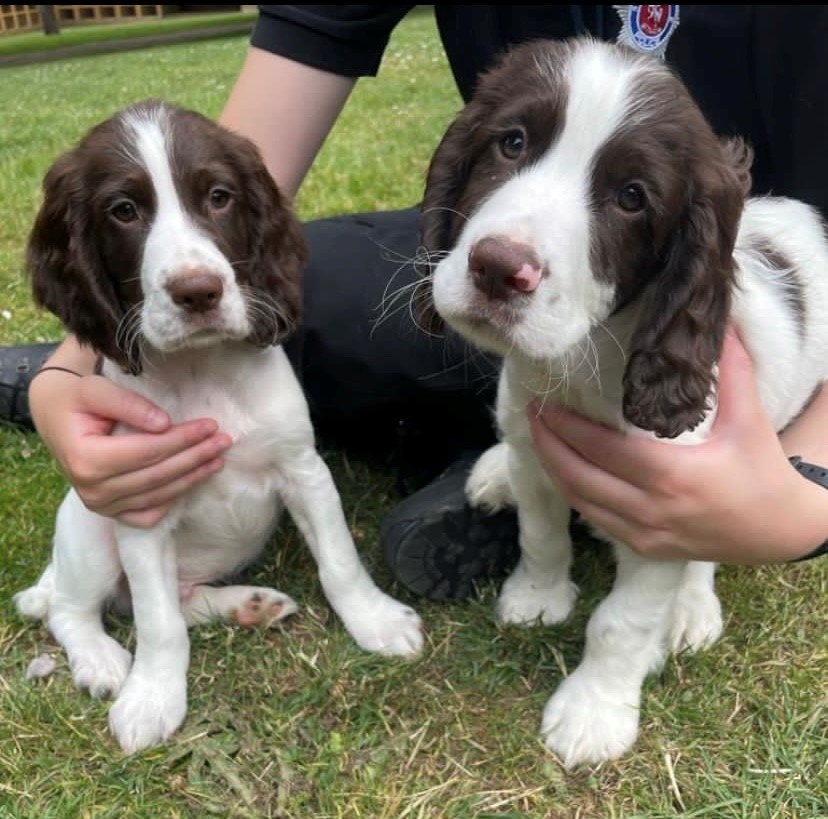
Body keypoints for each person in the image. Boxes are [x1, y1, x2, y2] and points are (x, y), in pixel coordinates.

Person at [2, 6, 826, 602]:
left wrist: (800, 492)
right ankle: (519, 453)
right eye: (509, 142)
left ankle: (520, 459)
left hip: (703, 289)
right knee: (289, 307)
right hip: (493, 271)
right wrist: (78, 368)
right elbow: (218, 211)